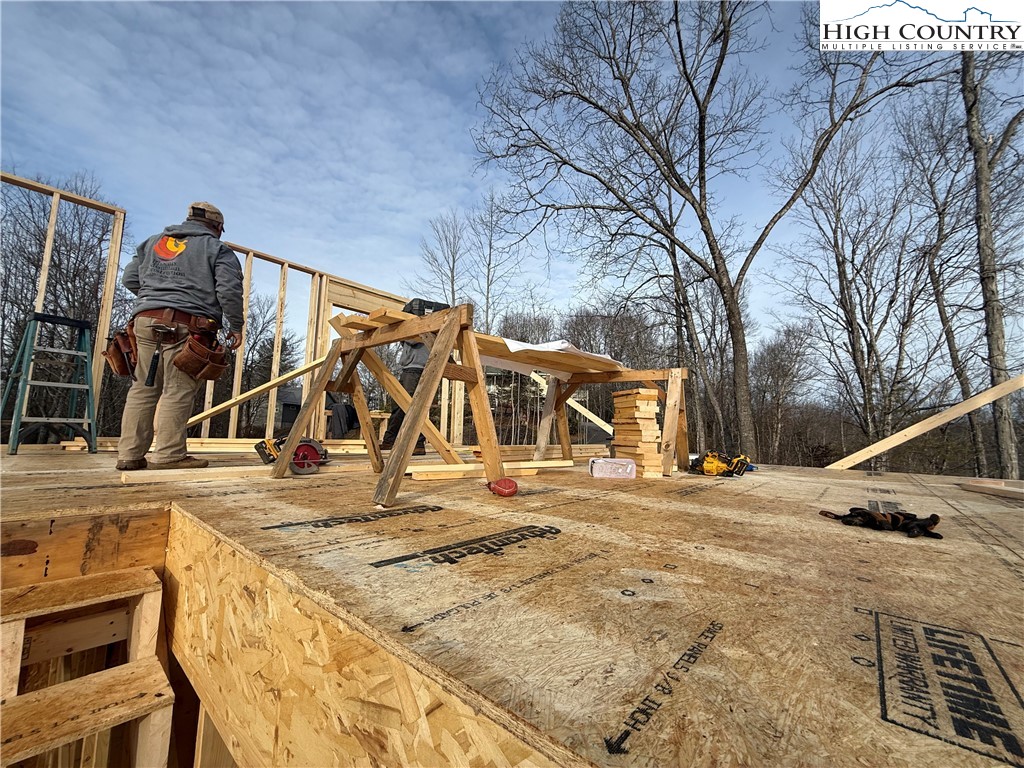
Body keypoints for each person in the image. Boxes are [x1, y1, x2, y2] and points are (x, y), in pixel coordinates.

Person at [116, 202, 244, 470]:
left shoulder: (153, 242)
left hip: (145, 321)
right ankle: (168, 455)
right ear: (217, 227)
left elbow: (129, 278)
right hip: (188, 326)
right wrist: (236, 325)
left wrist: (155, 298)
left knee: (143, 388)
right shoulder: (217, 249)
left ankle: (129, 455)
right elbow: (229, 291)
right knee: (178, 389)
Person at [379, 331, 429, 456]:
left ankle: (416, 443)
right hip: (415, 369)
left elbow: (412, 339)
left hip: (417, 368)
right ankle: (392, 440)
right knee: (403, 406)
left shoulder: (425, 325)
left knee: (411, 407)